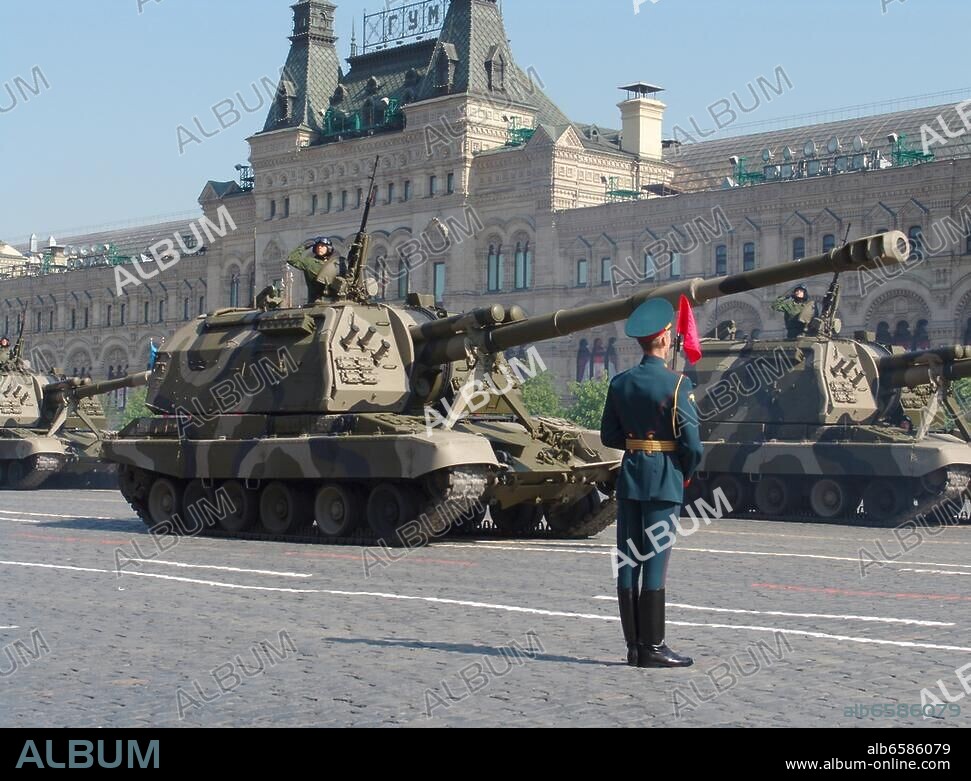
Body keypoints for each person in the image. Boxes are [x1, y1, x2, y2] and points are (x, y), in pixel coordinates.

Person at [600, 299, 704, 668]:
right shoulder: (677, 383)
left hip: (630, 476)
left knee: (628, 562)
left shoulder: (621, 382)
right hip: (664, 477)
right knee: (655, 563)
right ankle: (654, 648)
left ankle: (633, 646)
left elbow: (609, 434)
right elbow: (692, 443)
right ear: (663, 338)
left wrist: (637, 444)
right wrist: (684, 470)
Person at [287, 237, 341, 304]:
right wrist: (303, 247)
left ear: (329, 248)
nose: (319, 248)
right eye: (318, 246)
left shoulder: (335, 264)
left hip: (334, 301)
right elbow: (292, 259)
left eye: (322, 246)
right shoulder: (310, 262)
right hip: (315, 302)